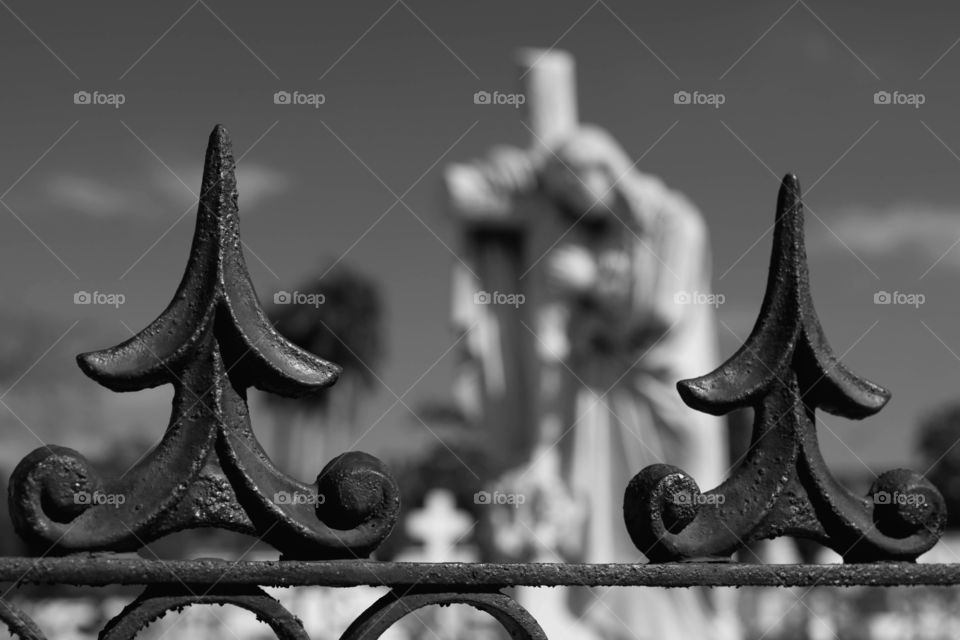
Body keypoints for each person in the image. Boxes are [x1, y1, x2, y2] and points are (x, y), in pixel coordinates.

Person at [475, 125, 737, 640]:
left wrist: (590, 284)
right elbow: (463, 196)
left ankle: (695, 625)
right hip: (609, 392)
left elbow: (664, 309)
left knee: (682, 509)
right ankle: (619, 624)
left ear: (607, 166)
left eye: (575, 183)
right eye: (563, 193)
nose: (574, 199)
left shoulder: (673, 219)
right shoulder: (601, 235)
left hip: (670, 394)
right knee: (613, 514)